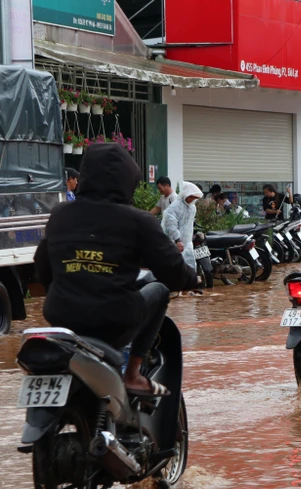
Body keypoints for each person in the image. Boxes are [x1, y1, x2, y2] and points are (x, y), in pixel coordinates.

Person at [34, 143, 197, 396]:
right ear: (128, 179)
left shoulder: (60, 215)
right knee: (161, 290)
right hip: (113, 324)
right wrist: (192, 278)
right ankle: (132, 375)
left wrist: (66, 295)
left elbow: (43, 269)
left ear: (85, 176)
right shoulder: (137, 220)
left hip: (61, 320)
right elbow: (173, 272)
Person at [162, 182, 203, 272]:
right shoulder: (175, 207)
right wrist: (178, 240)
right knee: (175, 266)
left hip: (187, 242)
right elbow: (171, 225)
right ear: (185, 195)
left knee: (189, 264)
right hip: (174, 242)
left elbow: (189, 223)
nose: (193, 199)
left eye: (195, 198)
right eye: (191, 197)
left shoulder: (192, 208)